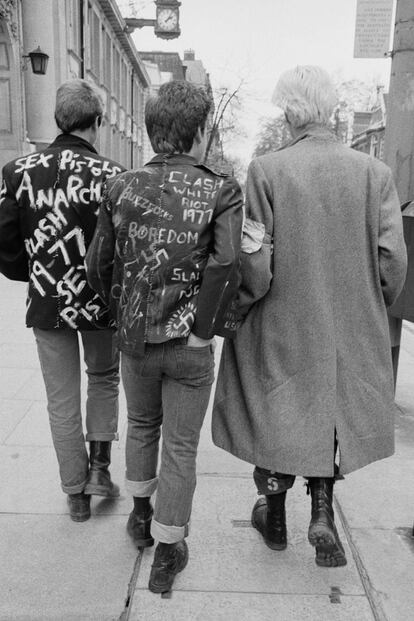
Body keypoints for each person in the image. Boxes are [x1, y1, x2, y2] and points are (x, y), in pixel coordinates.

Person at [212, 65, 407, 568]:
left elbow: (256, 258)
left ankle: (273, 515)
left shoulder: (267, 170)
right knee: (332, 407)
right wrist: (369, 302)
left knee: (273, 405)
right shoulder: (375, 173)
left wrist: (240, 308)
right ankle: (322, 507)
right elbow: (392, 259)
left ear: (290, 111)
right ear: (330, 108)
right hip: (349, 320)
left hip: (282, 316)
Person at [86, 80, 243, 593]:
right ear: (199, 132)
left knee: (142, 428)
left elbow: (98, 265)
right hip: (189, 346)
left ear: (153, 132)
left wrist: (123, 312)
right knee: (180, 446)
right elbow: (225, 263)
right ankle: (169, 550)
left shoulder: (120, 186)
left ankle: (138, 516)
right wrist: (202, 332)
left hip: (135, 339)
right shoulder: (221, 189)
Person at [0, 78, 124, 522]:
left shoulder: (16, 172)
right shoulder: (114, 176)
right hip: (100, 303)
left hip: (48, 302)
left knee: (61, 398)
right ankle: (100, 469)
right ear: (97, 122)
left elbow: (7, 245)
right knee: (104, 379)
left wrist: (35, 274)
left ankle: (75, 494)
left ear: (59, 121)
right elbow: (121, 247)